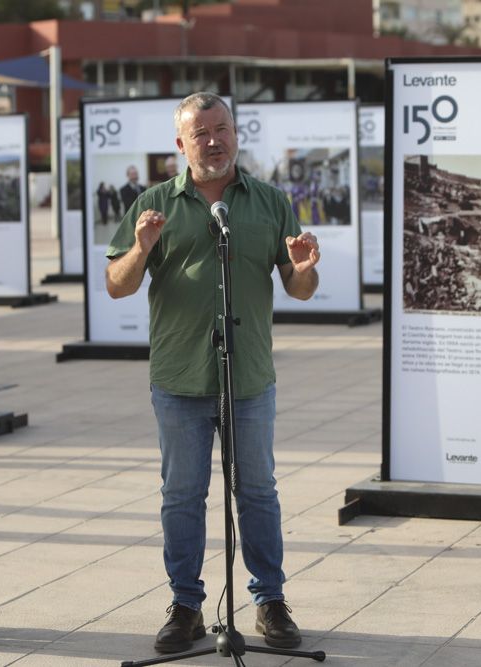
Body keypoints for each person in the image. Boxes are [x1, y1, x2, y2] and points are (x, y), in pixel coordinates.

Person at [105, 92, 320, 654]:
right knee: (181, 495)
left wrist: (302, 269)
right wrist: (139, 248)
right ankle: (186, 605)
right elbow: (117, 284)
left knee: (258, 493)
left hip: (248, 377)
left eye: (221, 128)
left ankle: (270, 601)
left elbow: (298, 289)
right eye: (200, 133)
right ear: (181, 144)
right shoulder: (154, 203)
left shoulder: (270, 201)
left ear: (235, 134)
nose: (214, 140)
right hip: (179, 379)